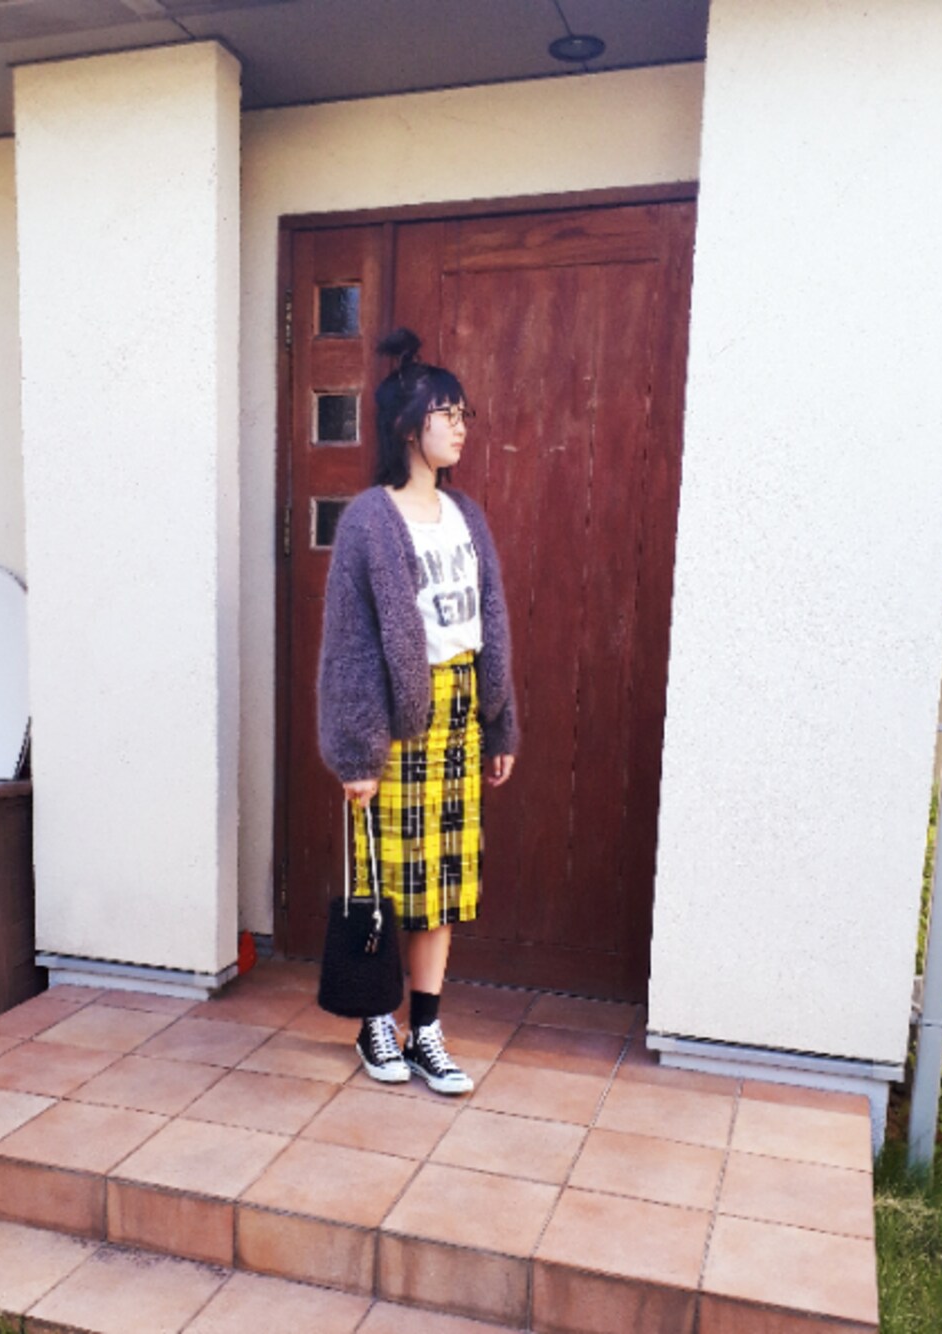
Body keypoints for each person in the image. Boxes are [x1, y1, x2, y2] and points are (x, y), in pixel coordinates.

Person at [317, 328, 518, 1095]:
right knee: (387, 879)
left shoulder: (467, 515)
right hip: (397, 722)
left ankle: (425, 1030)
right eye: (447, 413)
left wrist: (500, 723)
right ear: (409, 426)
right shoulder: (371, 520)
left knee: (443, 885)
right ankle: (376, 1022)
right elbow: (350, 646)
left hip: (461, 714)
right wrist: (356, 754)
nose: (461, 426)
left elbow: (489, 622)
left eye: (464, 413)